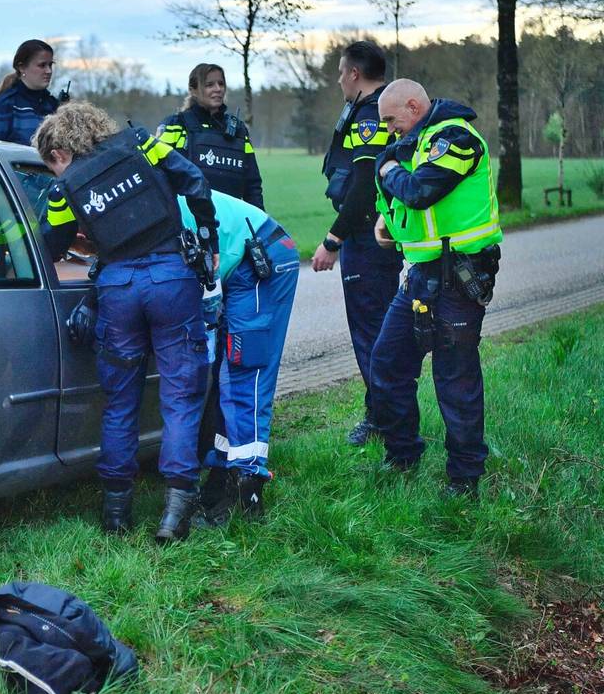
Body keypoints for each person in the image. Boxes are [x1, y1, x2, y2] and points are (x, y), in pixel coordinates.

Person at [35, 101, 220, 542]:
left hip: (117, 288)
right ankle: (175, 513)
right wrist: (208, 239)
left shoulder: (65, 190)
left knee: (120, 401)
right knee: (180, 394)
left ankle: (116, 514)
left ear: (62, 148)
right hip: (173, 278)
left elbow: (52, 244)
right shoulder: (141, 143)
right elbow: (194, 179)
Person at [369, 79, 503, 498]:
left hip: (460, 276)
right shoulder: (414, 141)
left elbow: (419, 191)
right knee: (387, 363)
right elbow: (395, 198)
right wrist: (386, 219)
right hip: (419, 273)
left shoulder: (457, 137)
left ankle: (465, 478)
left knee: (455, 377)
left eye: (391, 120)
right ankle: (403, 454)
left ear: (413, 105)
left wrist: (387, 168)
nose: (389, 130)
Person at [179, 191, 299, 524]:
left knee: (245, 371)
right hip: (235, 262)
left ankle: (247, 492)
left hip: (260, 256)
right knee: (224, 376)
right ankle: (221, 477)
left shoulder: (146, 206)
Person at [312, 41, 404, 447]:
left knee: (371, 331)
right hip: (379, 236)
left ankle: (384, 420)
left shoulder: (369, 115)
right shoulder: (386, 107)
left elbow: (365, 184)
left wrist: (334, 238)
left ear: (354, 73)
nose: (337, 80)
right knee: (380, 327)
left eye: (339, 72)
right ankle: (386, 412)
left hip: (367, 237)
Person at [156, 63, 264, 209]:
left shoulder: (238, 130)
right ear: (193, 90)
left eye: (221, 84)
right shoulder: (174, 126)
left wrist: (258, 225)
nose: (218, 89)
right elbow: (158, 179)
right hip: (189, 223)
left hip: (231, 224)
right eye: (209, 85)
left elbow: (252, 185)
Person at [0, 39, 61, 146]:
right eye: (42, 65)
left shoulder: (53, 105)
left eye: (50, 65)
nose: (49, 71)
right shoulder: (3, 106)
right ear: (21, 67)